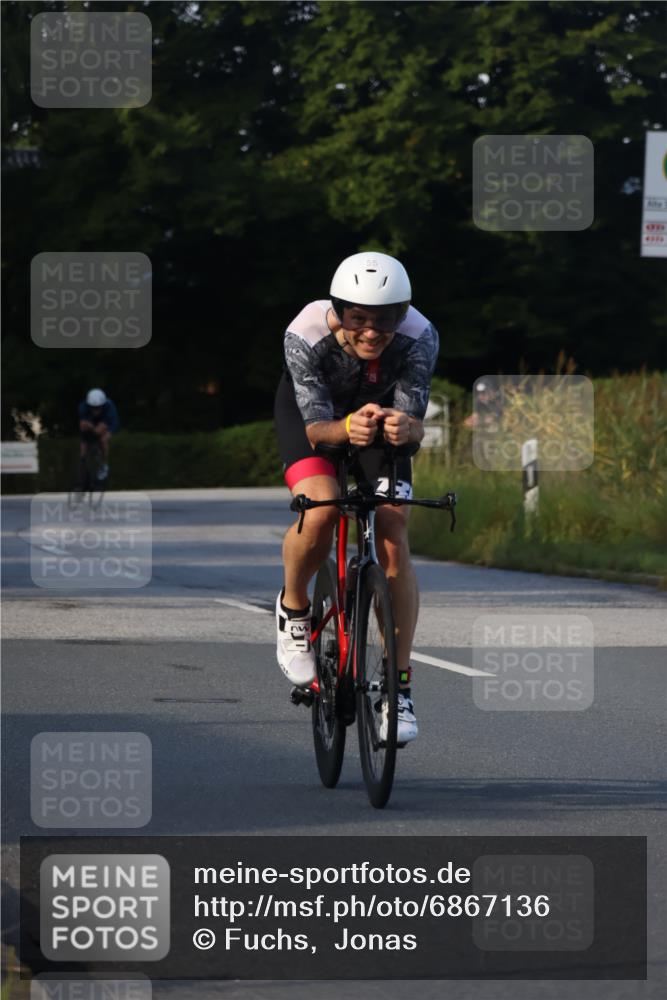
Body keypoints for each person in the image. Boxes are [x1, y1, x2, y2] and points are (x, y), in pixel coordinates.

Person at [274, 251, 439, 744]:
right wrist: (346, 427)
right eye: (358, 318)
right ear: (339, 310)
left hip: (380, 421)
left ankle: (398, 688)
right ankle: (295, 608)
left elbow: (412, 428)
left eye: (384, 321)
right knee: (321, 508)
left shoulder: (420, 337)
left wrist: (409, 427)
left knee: (392, 531)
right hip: (315, 418)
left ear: (402, 315)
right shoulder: (305, 333)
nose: (371, 332)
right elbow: (317, 427)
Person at [78, 388, 119, 482]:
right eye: (92, 407)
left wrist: (106, 432)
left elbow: (108, 425)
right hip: (92, 422)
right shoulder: (83, 406)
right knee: (84, 430)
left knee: (103, 439)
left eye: (98, 407)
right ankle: (83, 460)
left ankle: (104, 464)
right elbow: (82, 425)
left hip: (108, 423)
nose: (95, 410)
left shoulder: (109, 407)